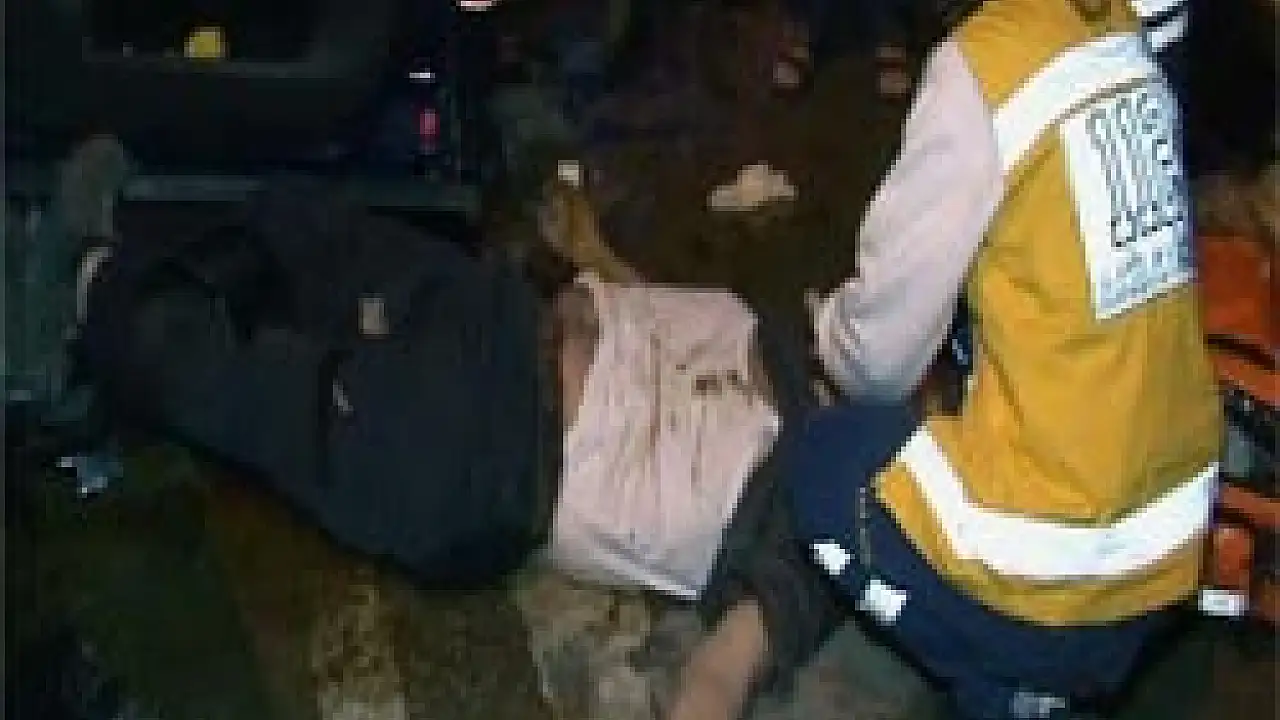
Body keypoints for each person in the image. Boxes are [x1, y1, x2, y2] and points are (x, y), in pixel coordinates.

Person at [668, 0, 1224, 718]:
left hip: (1066, 568)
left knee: (826, 459)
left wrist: (825, 330)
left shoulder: (987, 67)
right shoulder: (1121, 36)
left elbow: (875, 363)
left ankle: (1008, 688)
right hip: (1174, 542)